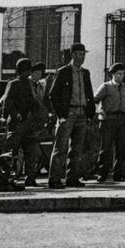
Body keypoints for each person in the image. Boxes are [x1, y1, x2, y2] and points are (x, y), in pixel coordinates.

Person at [47, 43, 95, 189]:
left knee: (77, 148)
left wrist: (90, 113)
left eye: (83, 54)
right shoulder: (63, 72)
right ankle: (54, 179)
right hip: (68, 113)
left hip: (82, 113)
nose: (82, 57)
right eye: (79, 54)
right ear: (73, 55)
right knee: (61, 147)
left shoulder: (85, 73)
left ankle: (72, 178)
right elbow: (53, 94)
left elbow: (89, 93)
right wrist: (61, 115)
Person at [1, 57, 43, 187]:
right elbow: (8, 102)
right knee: (12, 152)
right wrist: (15, 115)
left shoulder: (28, 84)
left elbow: (33, 102)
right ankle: (8, 178)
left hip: (28, 122)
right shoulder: (14, 84)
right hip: (17, 123)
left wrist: (36, 115)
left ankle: (29, 178)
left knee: (30, 152)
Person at [94, 62, 125, 183]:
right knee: (105, 148)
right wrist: (99, 112)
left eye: (122, 74)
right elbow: (94, 100)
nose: (120, 76)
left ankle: (119, 174)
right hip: (108, 120)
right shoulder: (106, 87)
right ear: (112, 74)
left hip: (122, 120)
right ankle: (102, 174)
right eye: (118, 74)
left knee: (121, 148)